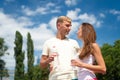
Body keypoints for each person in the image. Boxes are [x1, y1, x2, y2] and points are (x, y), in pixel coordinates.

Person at [40, 16, 80, 80]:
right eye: (67, 25)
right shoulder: (48, 43)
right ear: (58, 25)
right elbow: (42, 65)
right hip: (55, 77)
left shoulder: (74, 43)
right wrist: (48, 61)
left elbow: (82, 60)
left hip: (73, 76)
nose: (70, 28)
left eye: (70, 26)